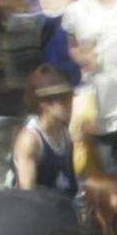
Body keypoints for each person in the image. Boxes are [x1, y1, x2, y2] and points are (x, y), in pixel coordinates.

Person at [13, 65, 79, 199]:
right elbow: (28, 194)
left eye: (69, 97)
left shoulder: (64, 132)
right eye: (62, 100)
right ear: (44, 104)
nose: (69, 104)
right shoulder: (30, 140)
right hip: (41, 214)